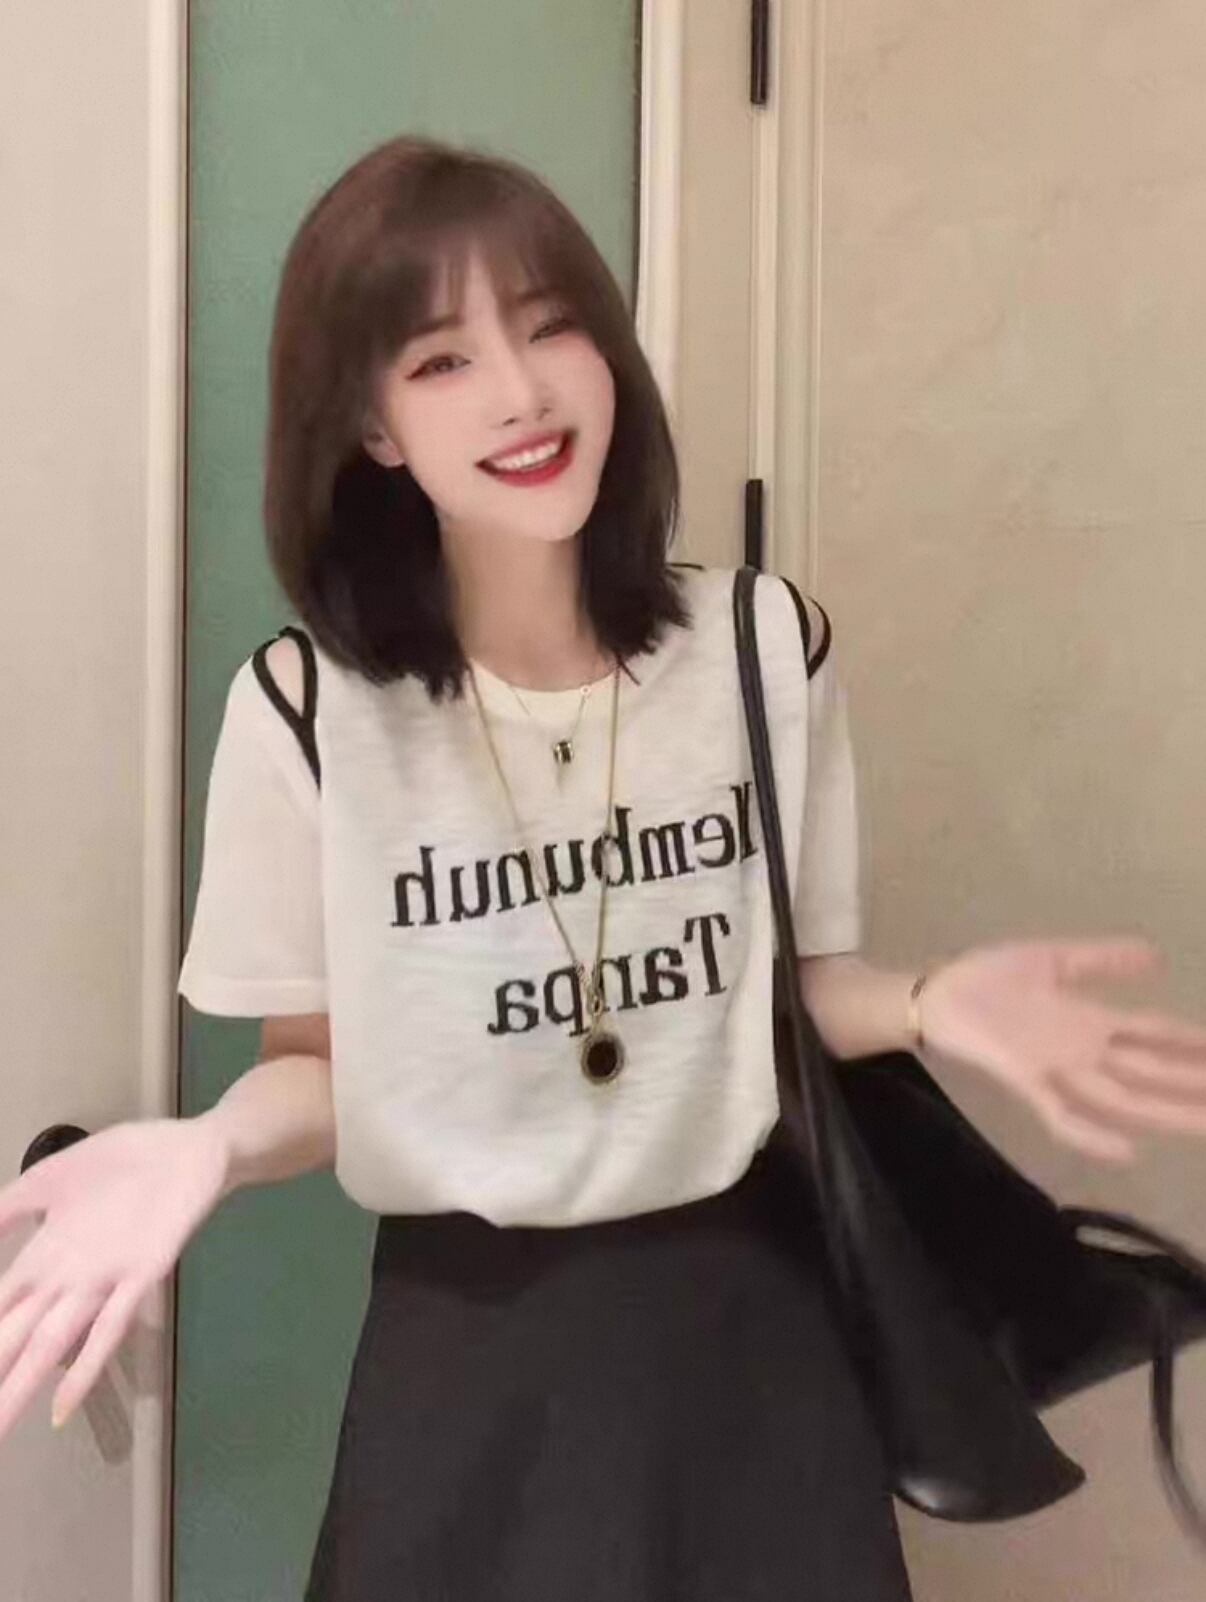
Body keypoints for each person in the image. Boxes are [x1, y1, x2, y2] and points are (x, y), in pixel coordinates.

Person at [4, 135, 1206, 1601]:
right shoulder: (310, 713)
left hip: (753, 1339)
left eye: (550, 324)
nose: (520, 391)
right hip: (471, 1355)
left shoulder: (763, 647)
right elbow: (323, 1068)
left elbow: (780, 993)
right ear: (373, 426)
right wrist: (211, 1147)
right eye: (442, 360)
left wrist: (928, 1002)